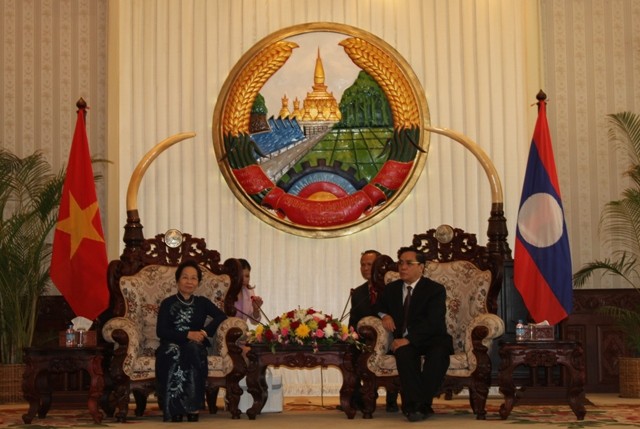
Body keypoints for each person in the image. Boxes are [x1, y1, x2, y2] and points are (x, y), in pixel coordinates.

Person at [375, 247, 453, 422]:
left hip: (433, 338)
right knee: (403, 354)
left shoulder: (435, 290)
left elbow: (433, 322)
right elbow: (377, 306)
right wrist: (384, 315)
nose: (403, 267)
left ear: (421, 267)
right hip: (404, 341)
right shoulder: (392, 289)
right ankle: (420, 407)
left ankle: (416, 405)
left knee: (439, 355)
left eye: (409, 263)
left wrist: (408, 339)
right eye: (400, 263)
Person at [155, 259, 228, 423]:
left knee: (193, 350)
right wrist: (187, 334)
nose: (189, 282)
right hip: (171, 343)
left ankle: (193, 406)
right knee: (173, 351)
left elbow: (221, 316)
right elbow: (161, 331)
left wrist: (204, 332)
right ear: (177, 280)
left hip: (194, 345)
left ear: (198, 282)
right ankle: (174, 409)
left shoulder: (202, 302)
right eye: (185, 277)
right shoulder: (167, 303)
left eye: (194, 278)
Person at [348, 250, 399, 412]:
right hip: (365, 341)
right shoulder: (358, 292)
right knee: (349, 354)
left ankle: (392, 398)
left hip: (391, 337)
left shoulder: (392, 287)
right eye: (362, 264)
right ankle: (358, 398)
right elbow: (353, 320)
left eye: (369, 264)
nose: (365, 268)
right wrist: (350, 336)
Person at [234, 258, 263, 324]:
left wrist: (255, 309)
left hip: (242, 330)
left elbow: (254, 322)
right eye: (241, 275)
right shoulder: (225, 289)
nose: (244, 279)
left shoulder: (249, 292)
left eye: (247, 276)